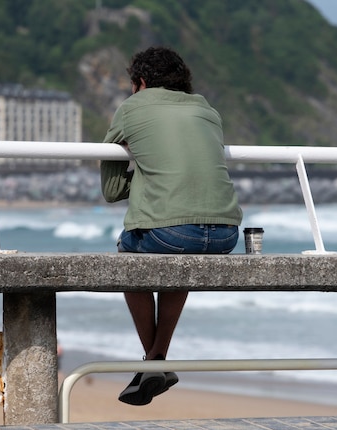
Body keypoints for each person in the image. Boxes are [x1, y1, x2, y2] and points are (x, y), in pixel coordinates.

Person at [100, 46, 243, 406]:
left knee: (128, 255)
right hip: (226, 233)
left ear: (141, 83)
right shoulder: (206, 108)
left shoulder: (133, 107)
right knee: (181, 250)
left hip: (174, 233)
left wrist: (146, 177)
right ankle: (156, 360)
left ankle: (155, 361)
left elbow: (112, 189)